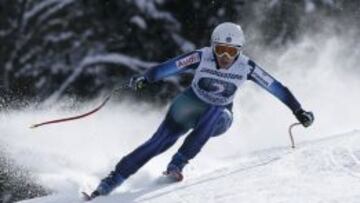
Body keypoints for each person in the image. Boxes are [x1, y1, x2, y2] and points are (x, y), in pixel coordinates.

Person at [87, 22, 314, 200]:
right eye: (220, 50)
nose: (225, 57)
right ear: (213, 47)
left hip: (218, 117)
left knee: (216, 108)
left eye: (231, 51)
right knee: (157, 143)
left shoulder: (247, 67)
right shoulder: (201, 56)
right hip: (189, 105)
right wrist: (145, 79)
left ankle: (179, 162)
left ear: (239, 51)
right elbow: (168, 68)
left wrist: (298, 111)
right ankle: (109, 184)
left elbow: (277, 88)